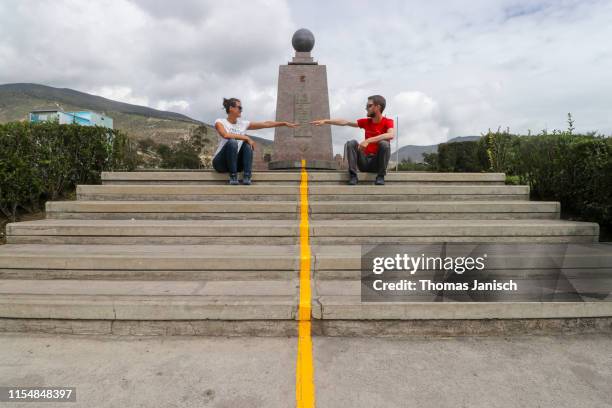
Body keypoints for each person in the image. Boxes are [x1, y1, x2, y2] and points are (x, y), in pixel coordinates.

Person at [311, 95, 394, 185]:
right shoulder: (366, 122)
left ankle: (381, 176)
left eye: (369, 106)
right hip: (364, 163)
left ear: (378, 107)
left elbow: (391, 134)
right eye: (366, 106)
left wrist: (368, 140)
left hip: (378, 163)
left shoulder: (388, 121)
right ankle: (353, 176)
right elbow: (346, 122)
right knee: (351, 143)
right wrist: (326, 121)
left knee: (384, 144)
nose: (366, 108)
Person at [213, 98, 298, 184]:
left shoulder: (243, 124)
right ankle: (233, 176)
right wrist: (246, 137)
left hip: (236, 164)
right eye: (239, 108)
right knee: (232, 142)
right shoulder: (220, 122)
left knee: (246, 144)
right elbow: (225, 135)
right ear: (231, 108)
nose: (241, 110)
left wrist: (283, 123)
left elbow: (265, 124)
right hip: (220, 163)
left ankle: (247, 176)